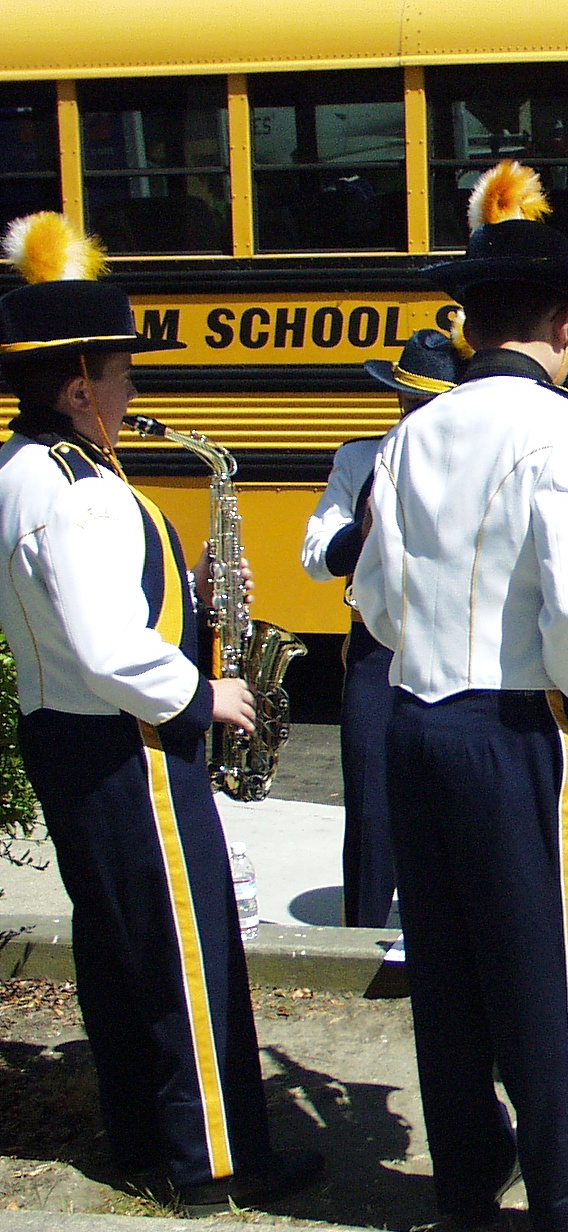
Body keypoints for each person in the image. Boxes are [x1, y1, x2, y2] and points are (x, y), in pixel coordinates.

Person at [353, 162, 568, 1232]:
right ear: (560, 322)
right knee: (550, 968)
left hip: (415, 718)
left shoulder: (414, 430)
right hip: (515, 730)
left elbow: (373, 599)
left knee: (448, 967)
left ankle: (468, 1180)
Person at [0, 212, 321, 1208]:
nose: (135, 391)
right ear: (78, 386)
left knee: (118, 948)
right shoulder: (81, 491)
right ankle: (214, 1161)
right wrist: (202, 692)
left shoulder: (22, 470)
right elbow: (108, 647)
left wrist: (182, 589)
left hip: (67, 740)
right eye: (124, 374)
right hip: (128, 746)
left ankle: (143, 1135)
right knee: (188, 954)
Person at [300, 327, 468, 930]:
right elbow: (315, 556)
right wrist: (362, 530)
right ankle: (363, 929)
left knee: (452, 800)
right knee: (371, 804)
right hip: (378, 647)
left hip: (453, 645)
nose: (415, 414)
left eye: (429, 403)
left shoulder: (473, 463)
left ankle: (445, 928)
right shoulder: (359, 459)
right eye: (408, 400)